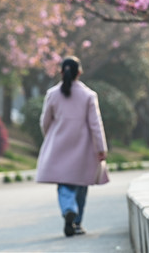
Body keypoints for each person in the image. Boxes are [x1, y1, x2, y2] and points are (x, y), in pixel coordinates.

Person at [36, 56, 108, 237]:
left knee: (64, 183)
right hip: (83, 147)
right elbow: (95, 124)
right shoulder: (89, 95)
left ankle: (68, 208)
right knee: (82, 185)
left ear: (61, 72)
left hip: (59, 144)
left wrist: (50, 137)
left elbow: (45, 121)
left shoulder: (52, 94)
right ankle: (76, 222)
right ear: (80, 72)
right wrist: (101, 148)